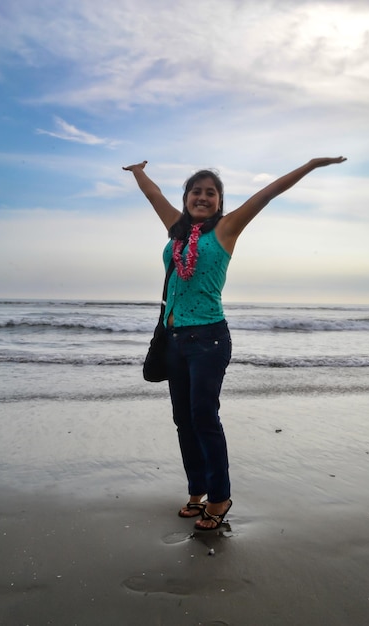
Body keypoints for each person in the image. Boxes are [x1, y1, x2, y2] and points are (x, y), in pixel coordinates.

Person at [123, 156, 346, 530]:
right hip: (174, 341)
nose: (203, 197)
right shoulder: (176, 229)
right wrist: (139, 172)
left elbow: (269, 193)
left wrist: (311, 165)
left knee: (203, 417)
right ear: (187, 197)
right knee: (183, 420)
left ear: (220, 202)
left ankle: (220, 496)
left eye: (211, 193)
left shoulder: (226, 229)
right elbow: (153, 194)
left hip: (208, 339)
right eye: (196, 191)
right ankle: (197, 490)